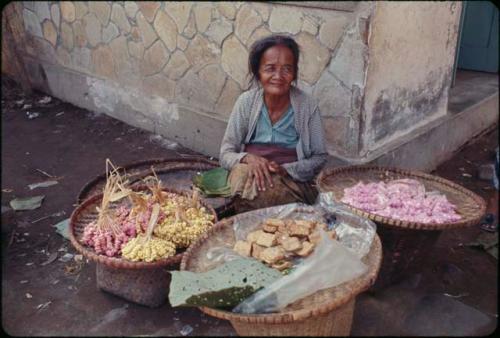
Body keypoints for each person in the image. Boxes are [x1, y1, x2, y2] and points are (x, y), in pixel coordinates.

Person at [219, 34, 327, 213]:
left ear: (294, 74)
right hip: (251, 173)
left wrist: (286, 169)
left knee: (266, 197)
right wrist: (248, 158)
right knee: (242, 177)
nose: (278, 76)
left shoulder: (307, 105)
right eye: (270, 68)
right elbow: (226, 153)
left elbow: (320, 157)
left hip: (292, 180)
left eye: (287, 69)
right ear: (258, 72)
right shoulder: (246, 102)